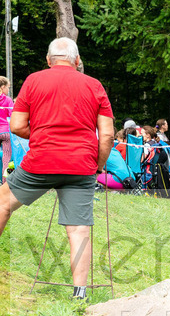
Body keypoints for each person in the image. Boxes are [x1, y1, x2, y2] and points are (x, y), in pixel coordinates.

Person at [2, 37, 114, 301]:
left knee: (3, 203)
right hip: (81, 165)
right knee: (78, 229)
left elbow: (16, 125)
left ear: (48, 60)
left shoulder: (33, 81)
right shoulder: (94, 85)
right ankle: (79, 294)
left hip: (41, 161)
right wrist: (97, 165)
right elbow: (107, 135)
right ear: (77, 61)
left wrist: (42, 136)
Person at [0, 76, 13, 184]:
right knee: (7, 159)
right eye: (8, 87)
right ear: (3, 87)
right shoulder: (8, 100)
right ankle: (6, 183)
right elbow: (12, 116)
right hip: (5, 132)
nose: (8, 90)